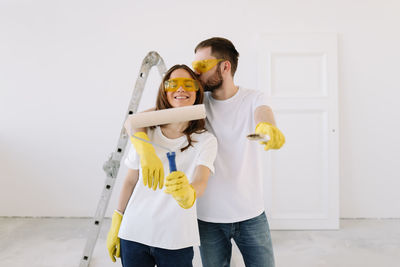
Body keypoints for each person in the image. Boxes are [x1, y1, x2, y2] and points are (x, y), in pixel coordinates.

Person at [106, 64, 218, 267]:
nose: (181, 89)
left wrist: (189, 193)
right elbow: (130, 180)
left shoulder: (205, 140)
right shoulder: (145, 133)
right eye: (173, 84)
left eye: (188, 84)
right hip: (134, 233)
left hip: (175, 239)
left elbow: (201, 181)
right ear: (164, 92)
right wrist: (118, 217)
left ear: (197, 91)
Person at [191, 37, 285, 267]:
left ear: (225, 66)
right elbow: (155, 114)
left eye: (202, 67)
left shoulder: (254, 98)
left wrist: (267, 127)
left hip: (251, 214)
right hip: (208, 218)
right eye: (195, 68)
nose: (196, 74)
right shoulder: (197, 104)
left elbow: (263, 112)